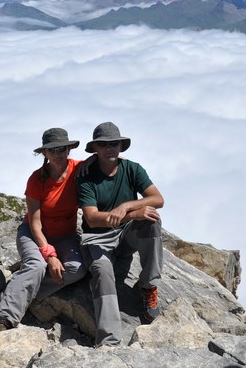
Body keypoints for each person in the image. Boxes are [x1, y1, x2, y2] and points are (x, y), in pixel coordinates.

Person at [0, 128, 88, 333]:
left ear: (69, 149)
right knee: (36, 266)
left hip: (66, 235)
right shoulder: (36, 180)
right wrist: (49, 255)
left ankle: (20, 293)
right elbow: (34, 223)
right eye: (52, 150)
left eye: (62, 149)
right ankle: (4, 317)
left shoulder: (80, 170)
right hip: (33, 235)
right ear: (44, 154)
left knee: (77, 269)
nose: (58, 154)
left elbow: (106, 165)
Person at [77, 122, 164, 346]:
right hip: (96, 238)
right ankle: (109, 341)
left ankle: (147, 286)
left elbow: (158, 199)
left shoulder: (132, 168)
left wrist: (126, 206)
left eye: (114, 143)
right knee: (103, 271)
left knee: (151, 219)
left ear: (121, 145)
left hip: (124, 235)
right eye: (103, 144)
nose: (110, 148)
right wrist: (129, 215)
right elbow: (92, 219)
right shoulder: (86, 175)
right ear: (95, 147)